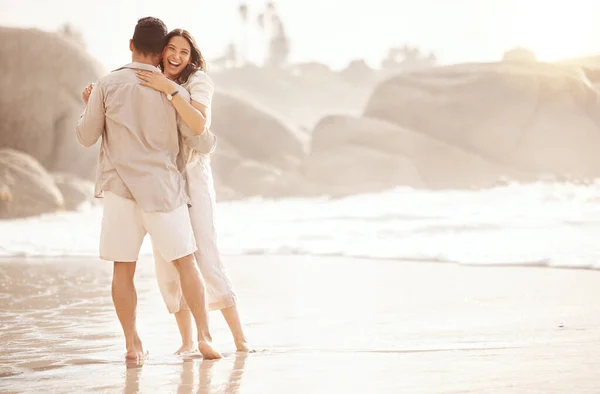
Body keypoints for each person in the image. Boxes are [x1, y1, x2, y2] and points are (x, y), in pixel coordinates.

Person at [76, 17, 222, 361]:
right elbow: (198, 136)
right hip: (163, 190)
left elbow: (85, 137)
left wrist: (89, 106)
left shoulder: (106, 84)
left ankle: (132, 344)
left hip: (120, 192)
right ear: (160, 54)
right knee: (186, 263)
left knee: (122, 269)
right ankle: (204, 337)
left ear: (131, 45)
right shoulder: (173, 91)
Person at [135, 29, 250, 353]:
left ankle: (240, 340)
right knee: (169, 260)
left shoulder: (198, 82)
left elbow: (198, 123)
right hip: (163, 181)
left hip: (194, 179)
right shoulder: (151, 80)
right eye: (170, 49)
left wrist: (170, 89)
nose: (175, 56)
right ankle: (188, 342)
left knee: (205, 256)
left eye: (183, 52)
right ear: (160, 52)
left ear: (191, 57)